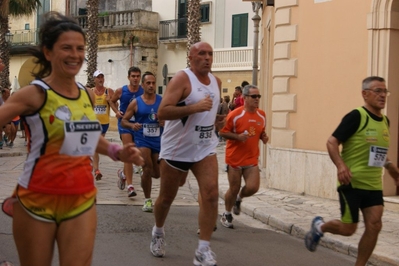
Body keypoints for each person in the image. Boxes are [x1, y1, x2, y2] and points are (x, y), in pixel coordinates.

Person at [0, 12, 144, 266]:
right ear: (48, 52)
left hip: (81, 198)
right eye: (66, 48)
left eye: (80, 48)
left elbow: (84, 135)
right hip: (36, 199)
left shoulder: (86, 94)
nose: (75, 55)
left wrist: (115, 151)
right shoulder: (33, 94)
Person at [304, 76, 399, 266]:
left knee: (375, 225)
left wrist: (392, 170)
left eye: (384, 91)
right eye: (377, 91)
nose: (382, 95)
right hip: (351, 182)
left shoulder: (385, 122)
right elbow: (332, 142)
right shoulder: (356, 117)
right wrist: (341, 165)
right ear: (365, 94)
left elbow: (378, 152)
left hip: (373, 184)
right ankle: (319, 226)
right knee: (348, 229)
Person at [150, 41, 224, 266]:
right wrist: (195, 108)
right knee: (166, 199)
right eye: (202, 54)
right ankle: (158, 232)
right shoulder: (182, 79)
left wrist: (218, 121)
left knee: (211, 193)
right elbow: (163, 111)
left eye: (210, 54)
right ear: (191, 58)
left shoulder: (216, 82)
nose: (207, 58)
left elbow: (209, 115)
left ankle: (203, 250)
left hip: (204, 147)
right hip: (176, 149)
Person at [219, 84, 269, 228]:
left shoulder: (262, 115)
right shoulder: (235, 115)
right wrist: (237, 136)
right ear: (245, 98)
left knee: (253, 187)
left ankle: (239, 199)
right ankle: (227, 214)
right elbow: (222, 132)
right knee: (233, 188)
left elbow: (260, 132)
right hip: (234, 158)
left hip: (251, 158)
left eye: (258, 96)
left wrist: (263, 137)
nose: (257, 99)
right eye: (254, 96)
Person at [121, 71, 163, 212]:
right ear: (143, 85)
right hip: (142, 139)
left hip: (157, 140)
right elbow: (124, 121)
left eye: (153, 83)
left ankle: (144, 176)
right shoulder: (136, 102)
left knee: (156, 173)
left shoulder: (161, 101)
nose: (151, 86)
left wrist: (164, 121)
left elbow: (169, 117)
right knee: (147, 167)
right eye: (148, 83)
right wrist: (133, 126)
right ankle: (147, 200)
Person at [109, 66, 144, 197]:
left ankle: (123, 174)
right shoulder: (121, 91)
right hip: (125, 124)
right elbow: (111, 101)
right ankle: (130, 186)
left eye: (137, 76)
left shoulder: (143, 91)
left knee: (138, 152)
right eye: (133, 76)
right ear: (128, 77)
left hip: (139, 125)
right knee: (129, 151)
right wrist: (116, 112)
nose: (135, 79)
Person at [90, 69, 115, 181]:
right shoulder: (90, 92)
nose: (100, 79)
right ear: (94, 79)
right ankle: (96, 170)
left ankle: (94, 164)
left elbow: (116, 106)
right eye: (98, 77)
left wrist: (110, 101)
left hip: (104, 123)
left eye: (102, 77)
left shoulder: (108, 91)